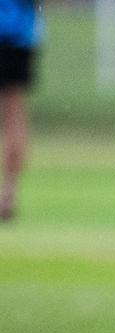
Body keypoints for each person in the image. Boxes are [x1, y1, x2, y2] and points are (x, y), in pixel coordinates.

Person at [0, 0, 41, 221]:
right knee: (14, 114)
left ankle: (8, 195)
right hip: (20, 36)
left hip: (16, 32)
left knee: (14, 114)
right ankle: (9, 195)